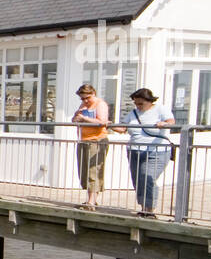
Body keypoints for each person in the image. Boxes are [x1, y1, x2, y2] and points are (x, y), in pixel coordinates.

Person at [113, 88, 176, 218]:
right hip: (135, 150)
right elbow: (123, 128)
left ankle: (150, 210)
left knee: (148, 177)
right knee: (138, 180)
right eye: (136, 103)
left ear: (149, 101)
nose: (138, 106)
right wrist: (107, 125)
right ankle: (144, 208)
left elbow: (171, 122)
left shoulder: (160, 109)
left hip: (156, 151)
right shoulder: (133, 113)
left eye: (141, 103)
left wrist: (163, 123)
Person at [71, 83, 109, 211]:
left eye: (87, 98)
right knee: (84, 171)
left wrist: (84, 118)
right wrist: (76, 117)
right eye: (82, 98)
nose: (85, 101)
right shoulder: (83, 105)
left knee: (94, 171)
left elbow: (102, 121)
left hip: (97, 140)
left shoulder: (100, 104)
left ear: (93, 93)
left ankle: (91, 202)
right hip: (84, 140)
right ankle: (89, 200)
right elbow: (75, 120)